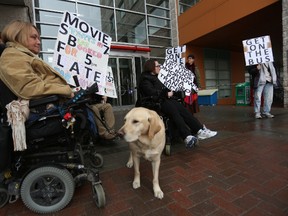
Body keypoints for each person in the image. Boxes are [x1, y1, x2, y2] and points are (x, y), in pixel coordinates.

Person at [137, 59, 217, 148]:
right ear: (151, 67)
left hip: (163, 100)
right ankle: (186, 136)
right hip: (153, 103)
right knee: (174, 110)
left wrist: (173, 91)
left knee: (183, 110)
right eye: (157, 65)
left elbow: (163, 89)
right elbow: (151, 93)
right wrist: (166, 94)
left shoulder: (157, 77)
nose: (160, 67)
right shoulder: (145, 80)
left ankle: (199, 130)